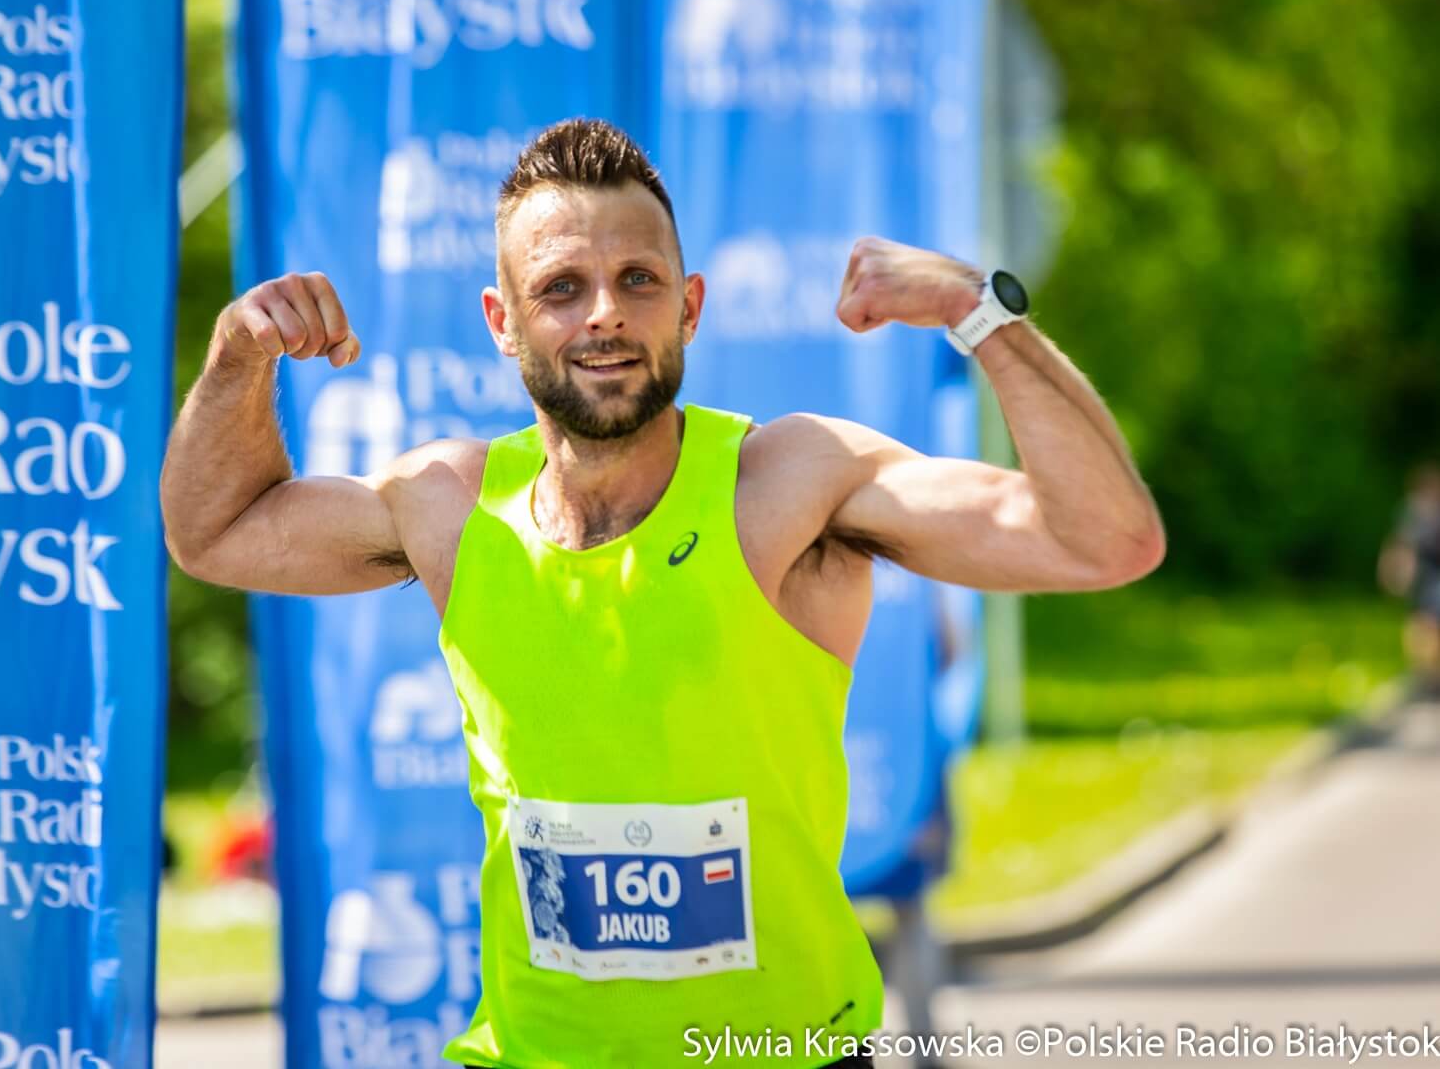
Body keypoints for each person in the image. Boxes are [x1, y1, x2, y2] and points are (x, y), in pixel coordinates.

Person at [160, 118, 1165, 1068]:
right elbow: (214, 532)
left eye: (636, 280)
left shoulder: (790, 486)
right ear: (503, 323)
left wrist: (976, 310)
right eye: (562, 287)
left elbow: (1105, 539)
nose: (603, 311)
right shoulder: (453, 505)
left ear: (688, 306)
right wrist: (239, 356)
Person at [1379, 463, 1440, 701]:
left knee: (1425, 623)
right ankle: (1426, 674)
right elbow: (1402, 545)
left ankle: (1429, 674)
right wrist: (1395, 573)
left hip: (1431, 576)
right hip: (1426, 576)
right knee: (1423, 623)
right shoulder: (1415, 512)